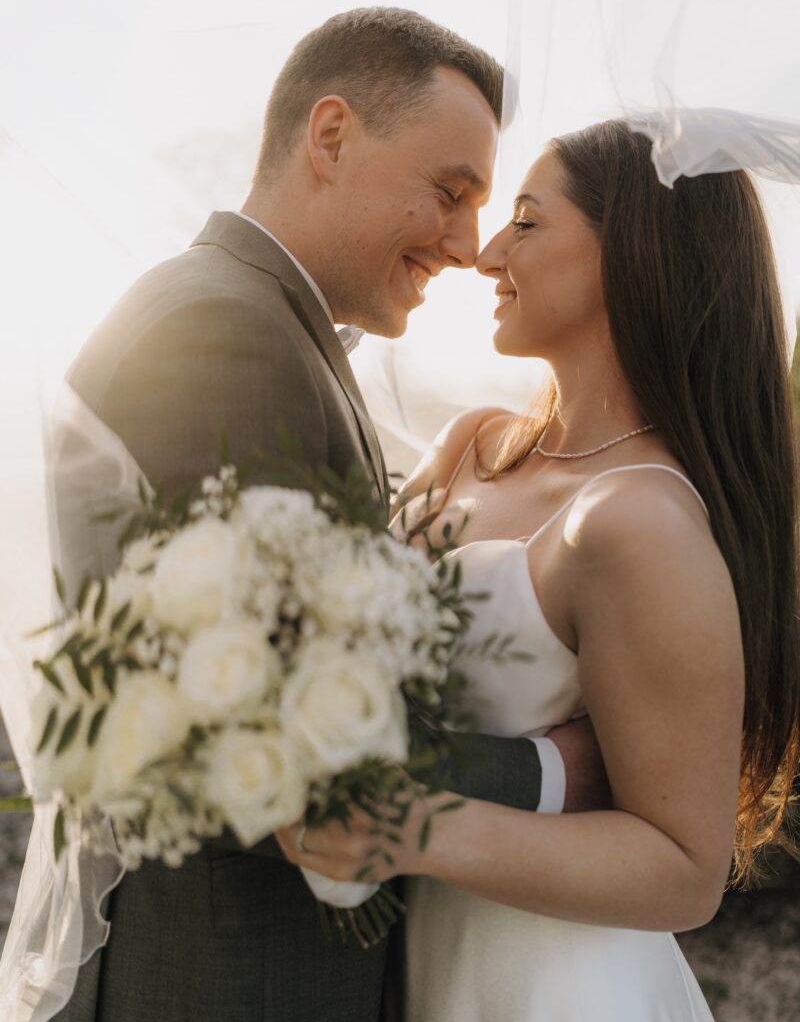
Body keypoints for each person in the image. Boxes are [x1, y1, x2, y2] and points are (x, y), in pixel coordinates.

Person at [48, 8, 604, 1022]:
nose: (466, 243)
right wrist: (557, 771)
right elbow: (272, 732)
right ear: (332, 135)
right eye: (448, 192)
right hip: (232, 975)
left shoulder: (253, 318)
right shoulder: (227, 335)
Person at [277, 120, 800, 1020]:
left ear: (626, 254)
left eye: (524, 221)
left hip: (555, 986)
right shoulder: (472, 443)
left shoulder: (640, 522)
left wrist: (410, 826)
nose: (484, 255)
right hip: (423, 965)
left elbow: (685, 870)